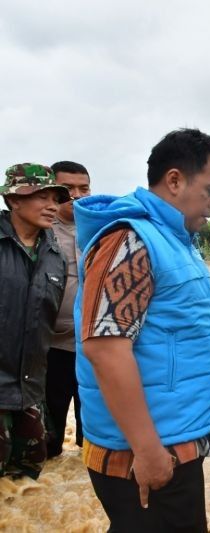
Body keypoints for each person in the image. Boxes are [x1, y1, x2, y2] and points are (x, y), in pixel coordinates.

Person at [75, 129, 210, 532]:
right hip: (147, 452)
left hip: (171, 439)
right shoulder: (131, 240)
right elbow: (105, 348)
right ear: (174, 180)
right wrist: (147, 450)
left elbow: (163, 334)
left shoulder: (176, 241)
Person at [0, 164, 69, 479]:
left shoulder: (55, 253)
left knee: (26, 480)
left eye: (55, 197)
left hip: (30, 391)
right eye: (41, 196)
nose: (52, 205)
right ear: (14, 200)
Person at [45, 161, 92, 458]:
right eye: (68, 189)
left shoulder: (104, 227)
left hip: (94, 346)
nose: (76, 195)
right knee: (49, 432)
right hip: (51, 346)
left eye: (83, 188)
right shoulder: (41, 231)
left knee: (93, 437)